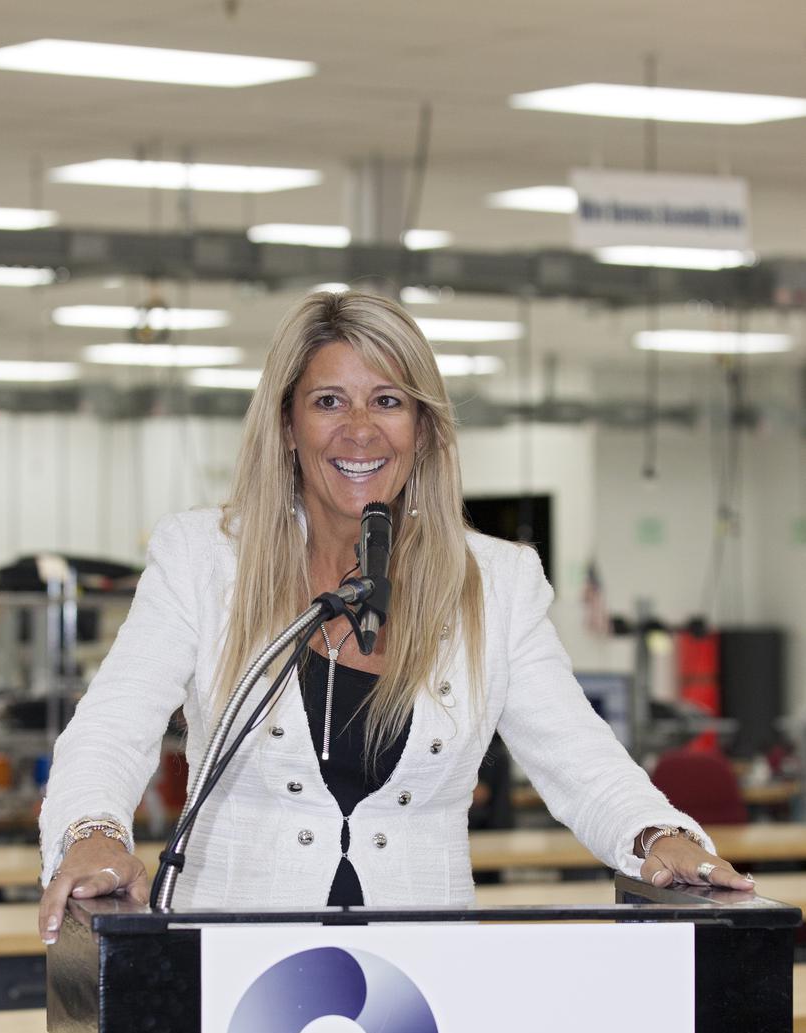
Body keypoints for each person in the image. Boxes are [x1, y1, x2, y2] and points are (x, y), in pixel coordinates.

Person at [38, 290, 753, 943]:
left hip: (421, 977)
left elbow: (579, 757)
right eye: (327, 402)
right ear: (286, 424)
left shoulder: (496, 583)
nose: (359, 431)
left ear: (422, 427)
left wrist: (659, 836)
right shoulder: (202, 558)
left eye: (386, 401)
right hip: (231, 967)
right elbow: (112, 725)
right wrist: (93, 832)